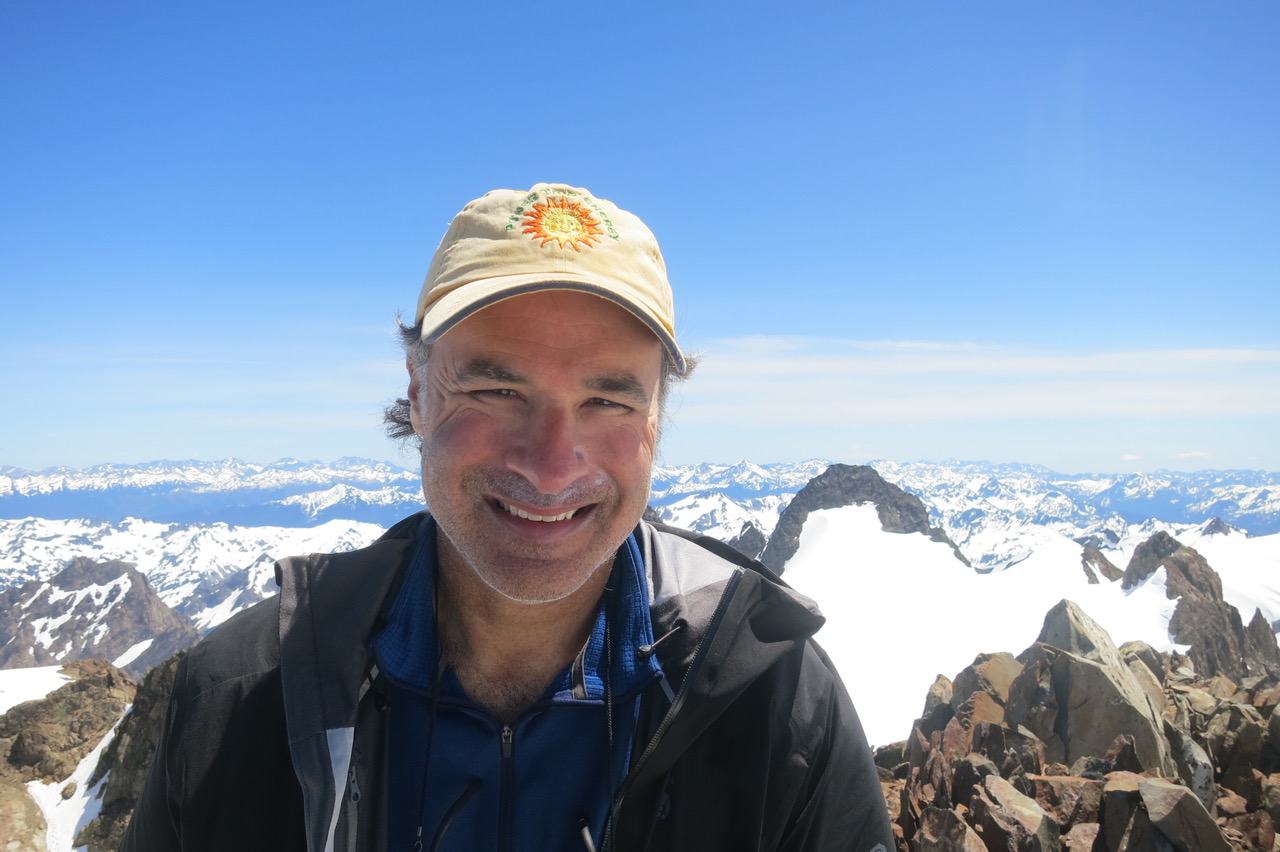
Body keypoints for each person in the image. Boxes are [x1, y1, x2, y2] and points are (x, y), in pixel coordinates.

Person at [120, 183, 894, 851]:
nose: (551, 466)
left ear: (657, 419)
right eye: (495, 391)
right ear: (418, 396)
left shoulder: (774, 698)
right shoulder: (240, 700)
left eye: (608, 399)